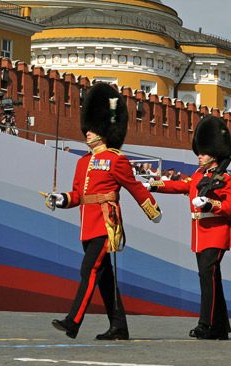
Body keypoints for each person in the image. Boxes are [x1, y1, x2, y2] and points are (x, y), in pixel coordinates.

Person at [44, 83, 163, 340]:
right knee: (105, 279)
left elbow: (133, 187)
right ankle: (119, 327)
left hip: (106, 224)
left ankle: (73, 321)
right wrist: (61, 198)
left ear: (104, 130)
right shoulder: (82, 162)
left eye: (93, 128)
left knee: (89, 271)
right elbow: (78, 195)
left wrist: (152, 210)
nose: (87, 132)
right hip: (88, 225)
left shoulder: (115, 159)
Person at [148, 115, 231, 340]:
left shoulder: (227, 178)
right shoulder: (199, 175)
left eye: (204, 153)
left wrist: (210, 203)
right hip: (200, 235)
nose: (200, 156)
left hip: (217, 234)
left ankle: (205, 324)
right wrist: (154, 185)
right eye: (199, 152)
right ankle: (220, 327)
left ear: (214, 155)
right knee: (211, 279)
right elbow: (182, 185)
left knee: (207, 277)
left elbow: (230, 207)